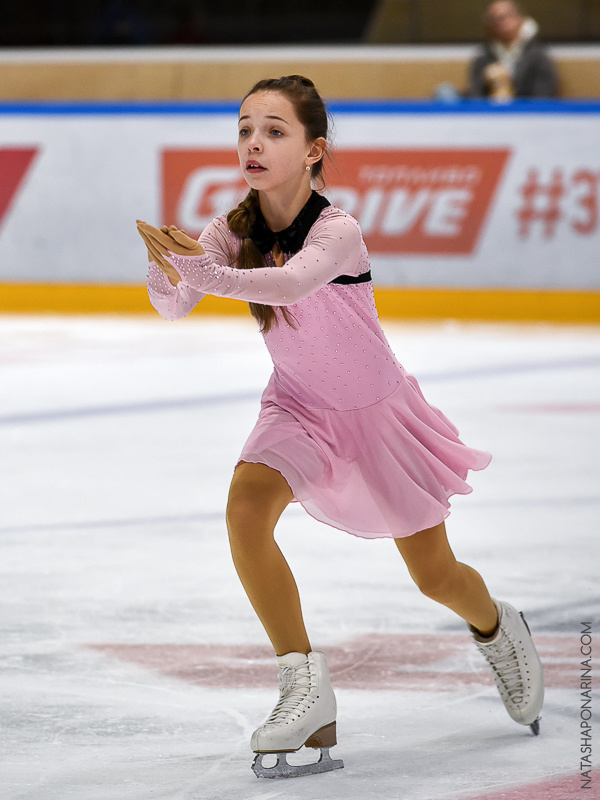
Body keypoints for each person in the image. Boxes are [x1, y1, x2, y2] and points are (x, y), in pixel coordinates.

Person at [137, 75, 544, 779]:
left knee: (437, 576)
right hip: (295, 405)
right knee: (244, 512)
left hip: (377, 418)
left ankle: (497, 626)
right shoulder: (229, 231)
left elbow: (292, 284)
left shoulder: (338, 230)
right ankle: (303, 683)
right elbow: (174, 306)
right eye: (243, 129)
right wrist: (168, 266)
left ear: (314, 149)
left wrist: (205, 273)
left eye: (273, 130)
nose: (253, 143)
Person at [468, 1, 558, 99]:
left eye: (506, 16)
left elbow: (543, 94)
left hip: (527, 111)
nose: (501, 23)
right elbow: (475, 96)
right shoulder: (483, 57)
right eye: (494, 19)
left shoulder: (538, 55)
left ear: (520, 18)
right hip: (490, 112)